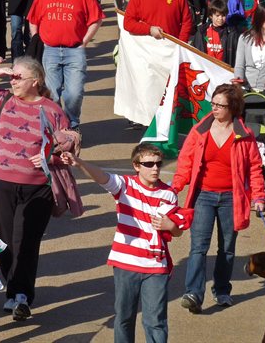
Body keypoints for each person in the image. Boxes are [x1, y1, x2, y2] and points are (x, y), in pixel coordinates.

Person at [0, 58, 81, 321]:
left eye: (18, 77)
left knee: (26, 241)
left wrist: (48, 158)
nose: (13, 81)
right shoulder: (1, 100)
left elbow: (67, 148)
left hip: (38, 187)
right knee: (3, 241)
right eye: (12, 76)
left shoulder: (52, 110)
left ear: (35, 81)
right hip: (2, 184)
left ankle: (22, 296)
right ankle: (12, 289)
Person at [61, 144, 186, 343]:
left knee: (156, 320)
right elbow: (101, 176)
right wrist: (80, 163)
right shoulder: (124, 185)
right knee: (124, 317)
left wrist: (170, 225)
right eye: (149, 164)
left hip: (156, 265)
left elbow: (178, 232)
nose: (155, 168)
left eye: (158, 164)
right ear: (136, 166)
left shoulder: (169, 194)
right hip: (126, 264)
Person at [173, 84, 265, 314]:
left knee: (227, 249)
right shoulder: (199, 130)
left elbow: (255, 167)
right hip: (203, 195)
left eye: (219, 105)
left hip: (231, 198)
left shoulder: (245, 135)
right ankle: (193, 293)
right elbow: (185, 162)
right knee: (198, 247)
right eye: (212, 103)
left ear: (232, 107)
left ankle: (222, 290)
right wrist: (174, 187)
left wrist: (259, 197)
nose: (214, 108)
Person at [27, 0, 103, 130]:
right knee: (52, 94)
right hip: (50, 51)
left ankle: (72, 124)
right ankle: (56, 128)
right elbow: (33, 19)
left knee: (74, 94)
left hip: (74, 51)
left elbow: (96, 19)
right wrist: (36, 38)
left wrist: (84, 42)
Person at [192, 0, 239, 67]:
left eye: (223, 15)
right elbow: (194, 51)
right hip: (207, 68)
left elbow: (236, 55)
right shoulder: (202, 32)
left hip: (223, 70)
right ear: (211, 16)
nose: (220, 18)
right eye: (217, 15)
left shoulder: (231, 33)